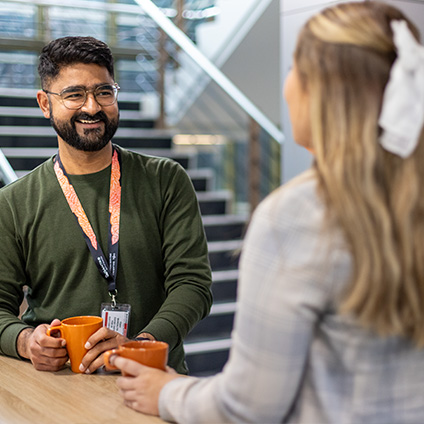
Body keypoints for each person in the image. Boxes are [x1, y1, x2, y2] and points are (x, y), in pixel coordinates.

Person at [109, 2, 424, 422]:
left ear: (323, 93)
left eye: (294, 69)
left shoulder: (295, 216)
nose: (286, 85)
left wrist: (167, 392)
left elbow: (248, 407)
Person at [0, 36, 212, 375]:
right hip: (59, 390)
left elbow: (193, 285)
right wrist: (26, 341)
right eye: (74, 94)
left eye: (104, 92)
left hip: (152, 381)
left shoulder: (165, 180)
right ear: (45, 103)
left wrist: (139, 346)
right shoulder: (14, 202)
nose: (92, 107)